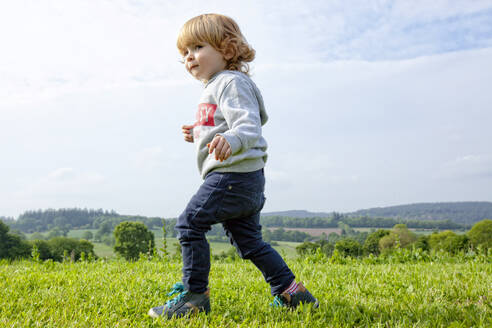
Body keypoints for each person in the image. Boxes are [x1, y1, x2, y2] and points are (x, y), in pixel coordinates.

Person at [148, 13, 318, 319]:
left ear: (227, 49)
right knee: (250, 243)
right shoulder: (218, 85)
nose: (189, 57)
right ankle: (294, 294)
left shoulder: (230, 82)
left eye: (197, 47)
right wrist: (199, 131)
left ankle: (194, 296)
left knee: (190, 223)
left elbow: (248, 124)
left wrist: (232, 138)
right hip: (247, 180)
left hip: (232, 177)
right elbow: (225, 124)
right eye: (184, 53)